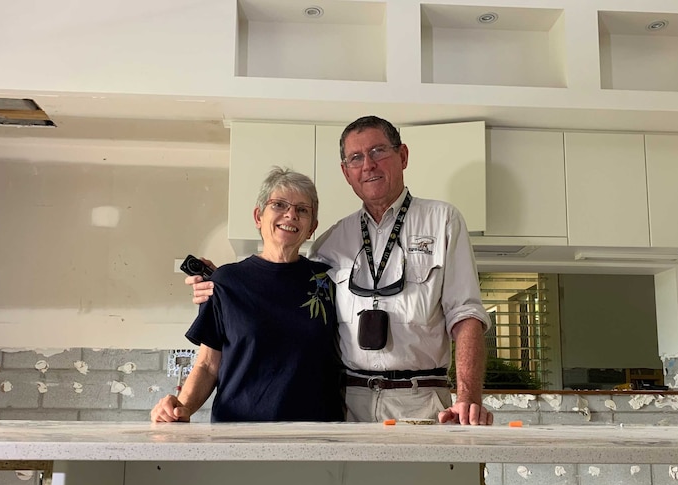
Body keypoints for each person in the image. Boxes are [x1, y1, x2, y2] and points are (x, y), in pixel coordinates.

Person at [189, 116, 493, 425]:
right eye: (356, 158)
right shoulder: (332, 241)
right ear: (346, 172)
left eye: (378, 151)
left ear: (402, 156)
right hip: (348, 404)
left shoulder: (443, 221)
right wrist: (222, 283)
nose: (368, 165)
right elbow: (279, 280)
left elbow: (465, 313)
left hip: (421, 401)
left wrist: (468, 397)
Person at [151, 167, 344, 423]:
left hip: (316, 433)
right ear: (258, 216)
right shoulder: (226, 282)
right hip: (240, 432)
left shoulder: (329, 281)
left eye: (302, 210)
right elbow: (208, 365)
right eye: (279, 205)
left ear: (312, 228)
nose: (291, 214)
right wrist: (181, 408)